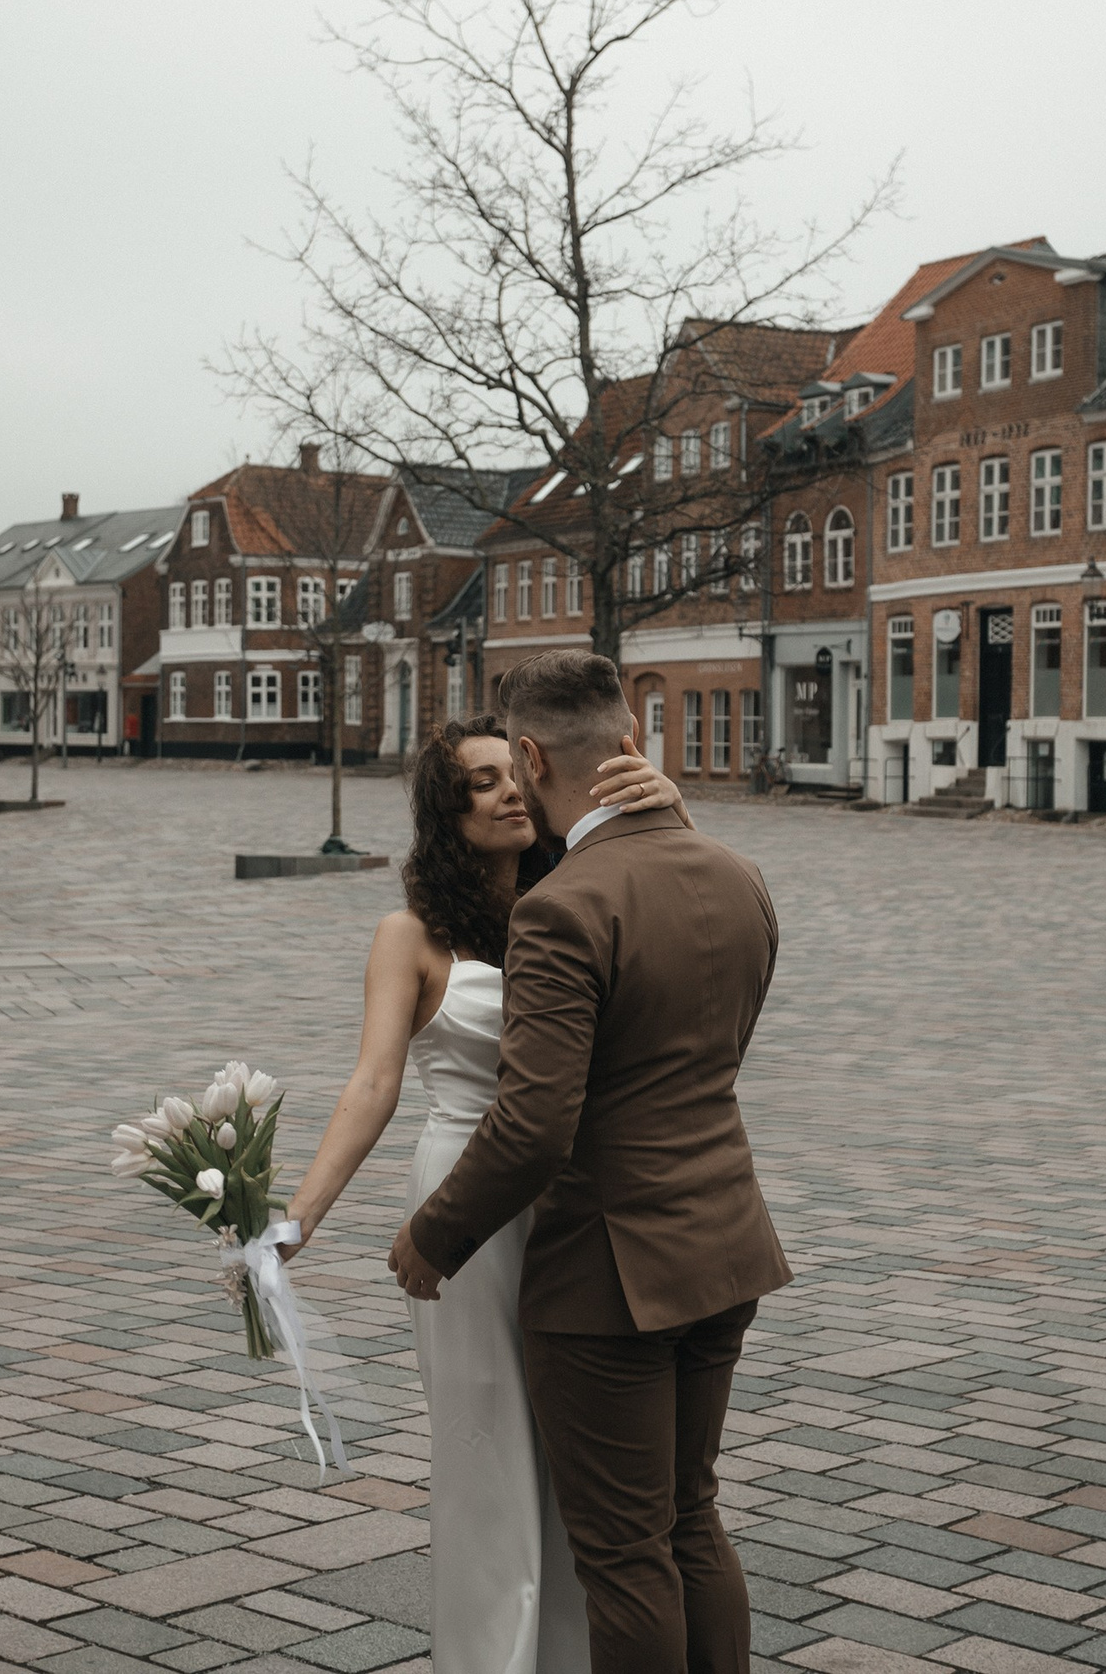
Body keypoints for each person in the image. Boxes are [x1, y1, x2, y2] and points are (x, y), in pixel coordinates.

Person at [392, 650, 791, 1674]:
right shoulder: (736, 875)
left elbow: (534, 1127)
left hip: (610, 1274)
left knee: (621, 1556)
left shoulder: (563, 907)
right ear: (632, 742)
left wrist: (432, 1235)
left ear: (528, 757)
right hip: (728, 1244)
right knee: (689, 1518)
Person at [280, 713, 689, 1674]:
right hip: (466, 1201)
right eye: (478, 780)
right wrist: (294, 1221)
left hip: (580, 1203)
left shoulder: (582, 894)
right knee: (487, 1443)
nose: (508, 789)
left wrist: (671, 803)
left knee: (580, 1451)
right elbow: (374, 1082)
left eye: (516, 771)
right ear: (443, 808)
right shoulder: (410, 934)